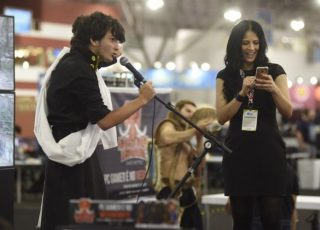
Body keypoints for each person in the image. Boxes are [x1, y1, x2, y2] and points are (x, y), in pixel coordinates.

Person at [34, 12, 155, 230]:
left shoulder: (78, 63)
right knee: (76, 221)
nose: (117, 46)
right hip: (72, 159)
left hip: (74, 153)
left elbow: (95, 66)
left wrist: (112, 56)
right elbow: (105, 120)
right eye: (113, 39)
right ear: (93, 40)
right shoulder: (79, 69)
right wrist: (141, 100)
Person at [215, 20, 292, 230]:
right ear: (236, 45)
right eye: (245, 43)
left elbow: (288, 111)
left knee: (271, 219)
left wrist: (274, 89)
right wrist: (240, 94)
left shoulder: (275, 71)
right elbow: (221, 117)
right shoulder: (225, 76)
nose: (251, 48)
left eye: (256, 43)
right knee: (241, 220)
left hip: (269, 153)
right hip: (237, 153)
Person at [154, 100, 214, 230]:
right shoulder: (168, 124)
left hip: (187, 191)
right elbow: (167, 137)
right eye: (187, 110)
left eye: (193, 112)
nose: (191, 114)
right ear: (177, 110)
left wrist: (199, 139)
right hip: (169, 190)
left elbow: (199, 166)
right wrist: (194, 130)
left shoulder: (187, 136)